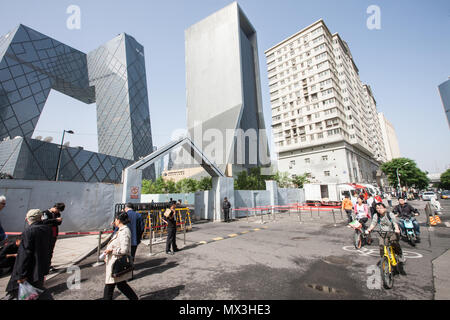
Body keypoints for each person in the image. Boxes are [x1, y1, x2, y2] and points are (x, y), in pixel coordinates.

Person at [4, 209, 53, 300]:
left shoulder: (28, 231)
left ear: (27, 219)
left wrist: (21, 275)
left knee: (17, 293)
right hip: (40, 269)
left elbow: (24, 254)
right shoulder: (47, 229)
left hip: (29, 271)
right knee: (37, 292)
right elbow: (49, 248)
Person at [103, 212, 138, 300]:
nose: (114, 221)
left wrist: (111, 250)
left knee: (109, 287)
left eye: (115, 220)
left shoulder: (124, 231)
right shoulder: (120, 229)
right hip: (114, 261)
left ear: (118, 220)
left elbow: (124, 250)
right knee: (121, 284)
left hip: (116, 263)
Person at [42, 203, 65, 270]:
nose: (58, 212)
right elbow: (44, 221)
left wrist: (59, 220)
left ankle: (48, 265)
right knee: (45, 250)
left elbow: (58, 223)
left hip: (54, 234)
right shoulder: (45, 213)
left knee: (50, 250)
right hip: (46, 234)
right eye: (58, 210)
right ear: (55, 207)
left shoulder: (58, 214)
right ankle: (43, 265)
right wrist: (55, 220)